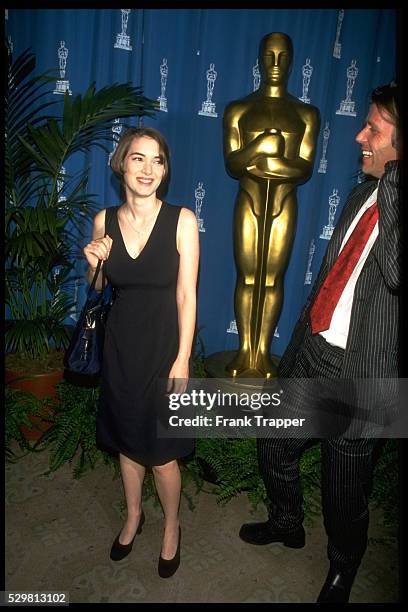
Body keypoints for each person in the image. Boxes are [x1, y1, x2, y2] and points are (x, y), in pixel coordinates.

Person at [238, 82, 401, 603]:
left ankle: (342, 568)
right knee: (274, 439)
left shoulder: (391, 195)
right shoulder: (361, 192)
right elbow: (334, 275)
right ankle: (287, 522)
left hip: (366, 373)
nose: (360, 136)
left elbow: (395, 270)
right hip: (317, 348)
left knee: (343, 492)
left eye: (373, 128)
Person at [83, 126, 199, 578]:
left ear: (165, 170)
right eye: (138, 158)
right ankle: (134, 515)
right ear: (121, 164)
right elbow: (99, 291)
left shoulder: (182, 221)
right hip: (120, 348)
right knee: (127, 446)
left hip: (166, 348)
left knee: (164, 454)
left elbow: (187, 295)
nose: (148, 169)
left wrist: (183, 358)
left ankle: (172, 524)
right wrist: (94, 265)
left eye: (157, 161)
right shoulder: (103, 221)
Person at [223, 32, 320, 379]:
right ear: (259, 60)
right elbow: (233, 164)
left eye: (282, 57)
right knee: (248, 277)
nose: (275, 64)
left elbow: (304, 168)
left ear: (292, 61)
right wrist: (264, 144)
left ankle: (262, 354)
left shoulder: (306, 114)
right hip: (248, 201)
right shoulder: (239, 109)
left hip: (283, 203)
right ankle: (244, 352)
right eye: (269, 56)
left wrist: (265, 164)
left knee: (272, 280)